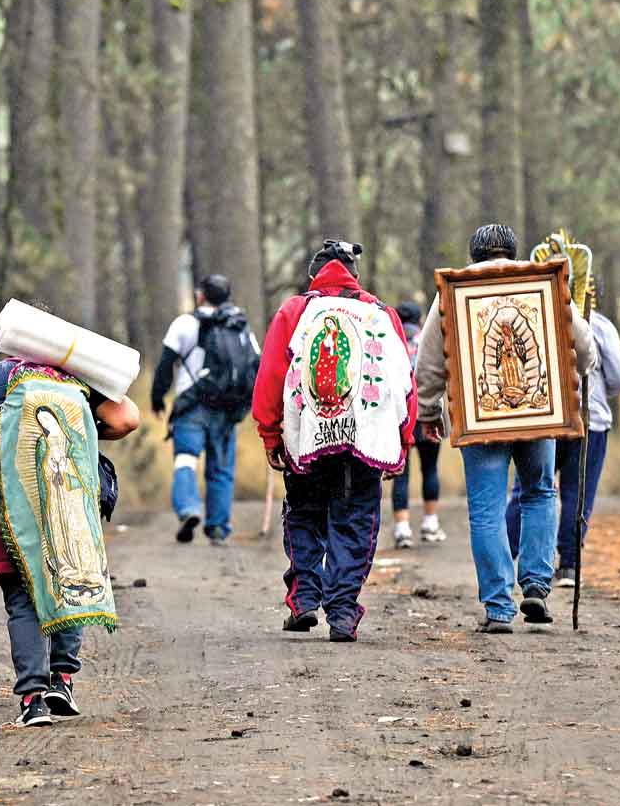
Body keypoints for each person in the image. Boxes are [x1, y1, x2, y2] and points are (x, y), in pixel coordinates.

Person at [414, 224, 597, 633]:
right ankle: (535, 582)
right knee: (539, 492)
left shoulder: (456, 293)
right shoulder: (543, 285)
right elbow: (583, 347)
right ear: (513, 251)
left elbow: (428, 361)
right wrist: (579, 373)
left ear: (474, 254)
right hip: (538, 413)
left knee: (486, 511)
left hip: (482, 417)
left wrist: (427, 412)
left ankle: (498, 607)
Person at [0, 358, 139, 727]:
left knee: (21, 600)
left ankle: (32, 700)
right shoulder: (78, 372)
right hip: (68, 501)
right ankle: (61, 681)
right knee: (70, 582)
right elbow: (127, 419)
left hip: (10, 504)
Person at [252, 240, 417, 642]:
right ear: (355, 277)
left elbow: (272, 374)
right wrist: (402, 439)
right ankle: (342, 612)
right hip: (365, 440)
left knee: (305, 513)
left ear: (314, 274)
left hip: (307, 436)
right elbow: (402, 382)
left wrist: (270, 434)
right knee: (356, 519)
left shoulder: (295, 311)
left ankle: (305, 595)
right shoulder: (381, 315)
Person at [506, 300, 620, 586]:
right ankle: (569, 566)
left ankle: (503, 556)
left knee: (528, 491)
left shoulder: (528, 316)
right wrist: (600, 390)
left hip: (542, 418)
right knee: (577, 494)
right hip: (588, 419)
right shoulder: (597, 324)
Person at [150, 274, 260, 545]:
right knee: (221, 469)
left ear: (200, 295)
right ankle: (219, 527)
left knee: (186, 458)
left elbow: (166, 364)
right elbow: (256, 365)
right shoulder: (240, 326)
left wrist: (158, 398)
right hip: (227, 408)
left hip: (193, 405)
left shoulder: (186, 323)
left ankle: (189, 509)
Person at [390, 300, 446, 549]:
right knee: (430, 468)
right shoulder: (427, 340)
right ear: (419, 319)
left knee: (401, 473)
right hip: (427, 412)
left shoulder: (391, 341)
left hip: (400, 417)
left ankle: (403, 529)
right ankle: (430, 523)